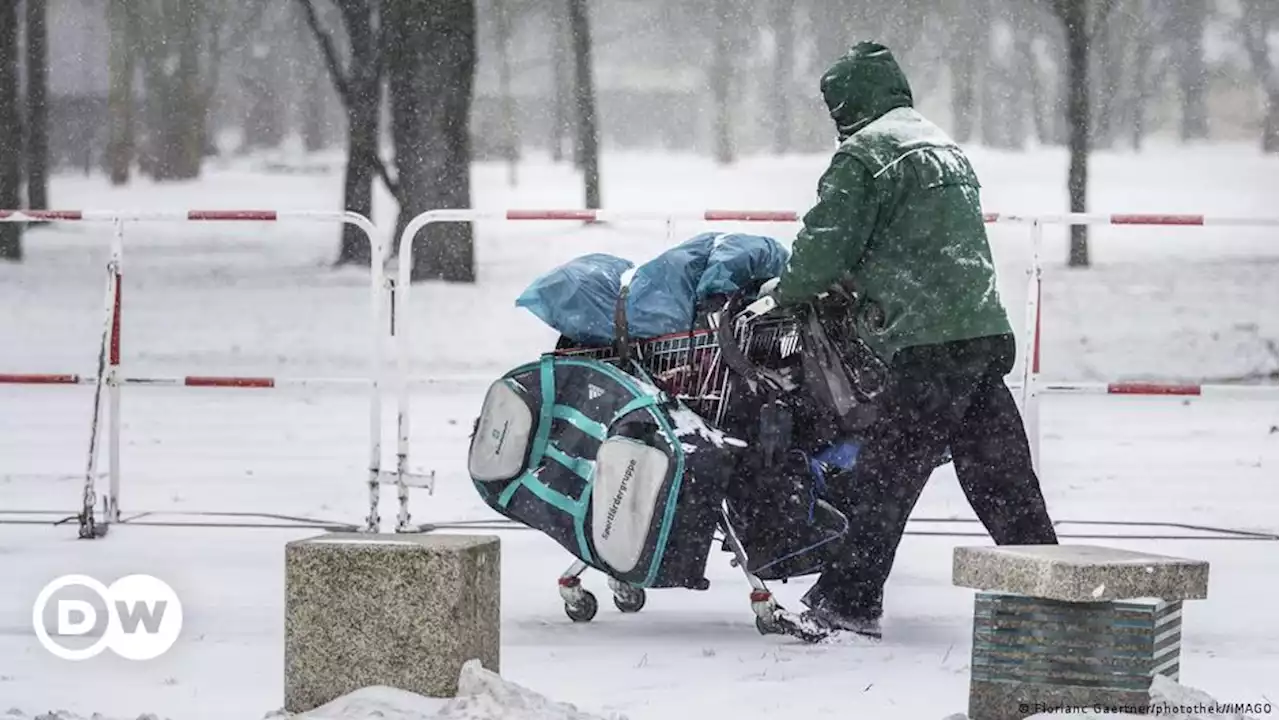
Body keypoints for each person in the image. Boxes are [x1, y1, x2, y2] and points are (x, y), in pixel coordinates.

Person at [769, 41, 1059, 640]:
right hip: (978, 330)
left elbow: (824, 247)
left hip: (928, 343)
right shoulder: (941, 147)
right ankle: (1049, 589)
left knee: (886, 475)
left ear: (850, 104)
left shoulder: (866, 155)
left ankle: (849, 599)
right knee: (1000, 472)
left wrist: (789, 293)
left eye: (836, 109)